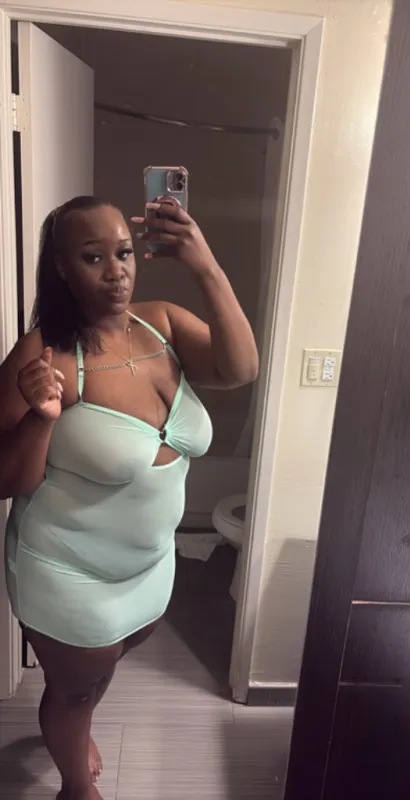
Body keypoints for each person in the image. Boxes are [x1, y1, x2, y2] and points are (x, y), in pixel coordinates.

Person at [0, 194, 258, 800]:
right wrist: (41, 418)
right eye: (93, 257)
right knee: (71, 691)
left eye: (123, 253)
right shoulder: (44, 354)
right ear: (61, 267)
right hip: (69, 574)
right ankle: (75, 787)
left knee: (96, 677)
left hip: (148, 566)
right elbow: (6, 480)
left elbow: (239, 369)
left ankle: (77, 727)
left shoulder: (161, 324)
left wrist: (204, 263)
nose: (116, 272)